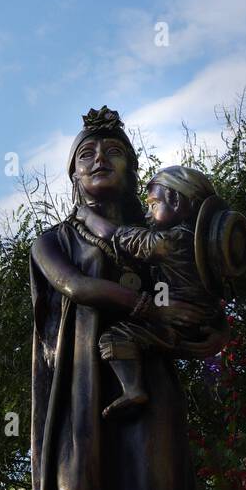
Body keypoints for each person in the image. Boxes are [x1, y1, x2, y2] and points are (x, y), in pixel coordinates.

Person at [29, 107, 225, 490]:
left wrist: (202, 330)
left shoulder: (166, 237)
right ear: (71, 177)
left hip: (151, 387)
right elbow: (75, 286)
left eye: (112, 151)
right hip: (81, 391)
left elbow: (208, 314)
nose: (99, 159)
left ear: (134, 170)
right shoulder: (52, 240)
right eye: (87, 153)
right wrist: (143, 307)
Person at [74, 165, 224, 418]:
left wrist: (87, 217)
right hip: (203, 319)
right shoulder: (204, 243)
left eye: (153, 205)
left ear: (175, 200)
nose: (147, 213)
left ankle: (132, 388)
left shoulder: (168, 242)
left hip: (179, 322)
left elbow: (114, 235)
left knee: (114, 337)